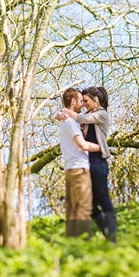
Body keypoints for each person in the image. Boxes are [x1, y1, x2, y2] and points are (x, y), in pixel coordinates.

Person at [59, 86, 117, 242]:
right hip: (86, 164)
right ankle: (104, 232)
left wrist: (66, 112)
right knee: (89, 203)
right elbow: (74, 118)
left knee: (102, 198)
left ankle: (112, 237)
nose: (83, 104)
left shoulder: (102, 114)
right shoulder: (84, 116)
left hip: (98, 162)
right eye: (81, 101)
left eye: (86, 101)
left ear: (95, 100)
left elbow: (80, 119)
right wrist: (59, 114)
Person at [58, 87, 101, 238]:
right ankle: (83, 244)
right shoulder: (70, 123)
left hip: (70, 170)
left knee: (72, 209)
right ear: (74, 101)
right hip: (79, 170)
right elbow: (82, 145)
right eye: (80, 101)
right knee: (83, 207)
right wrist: (102, 148)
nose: (82, 104)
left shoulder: (67, 121)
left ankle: (72, 243)